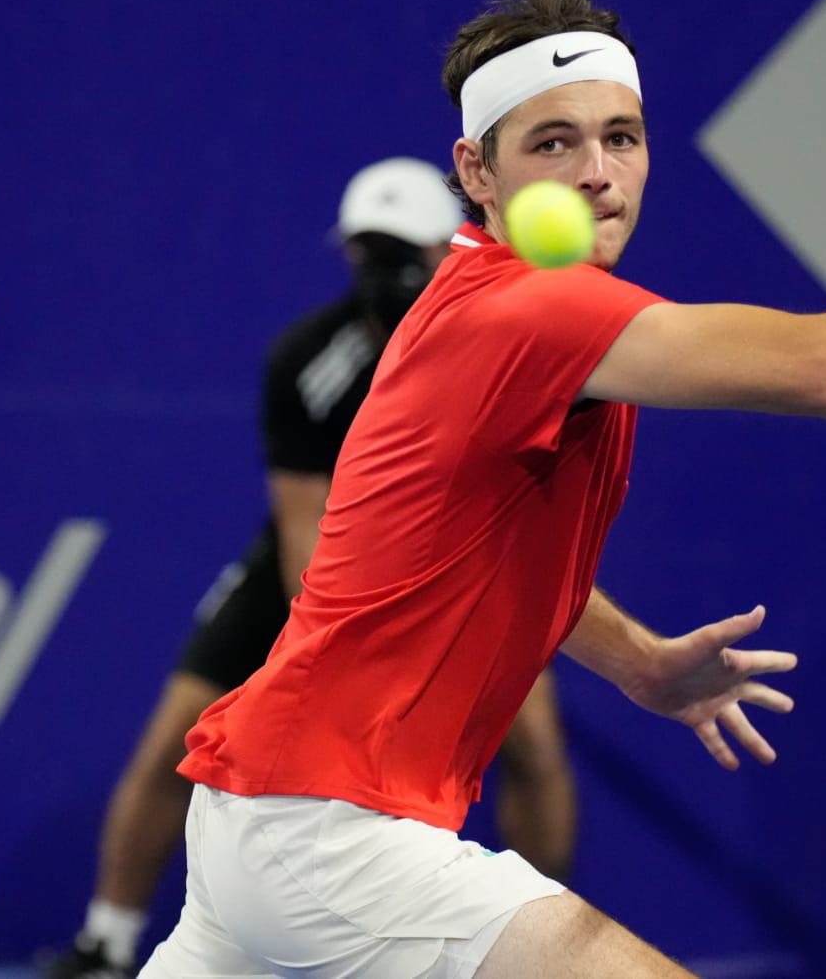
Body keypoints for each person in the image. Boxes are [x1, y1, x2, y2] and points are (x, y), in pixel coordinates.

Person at [140, 0, 826, 978]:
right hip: (336, 838)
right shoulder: (533, 310)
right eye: (553, 143)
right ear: (477, 171)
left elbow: (471, 540)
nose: (599, 174)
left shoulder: (482, 309)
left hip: (263, 821)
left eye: (621, 137)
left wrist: (635, 663)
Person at [49, 158, 578, 979]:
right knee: (174, 741)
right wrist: (360, 658)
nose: (385, 272)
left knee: (536, 745)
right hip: (323, 568)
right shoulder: (306, 358)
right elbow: (306, 538)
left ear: (450, 248)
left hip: (466, 564)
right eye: (369, 253)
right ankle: (106, 944)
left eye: (403, 252)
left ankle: (540, 949)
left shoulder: (502, 344)